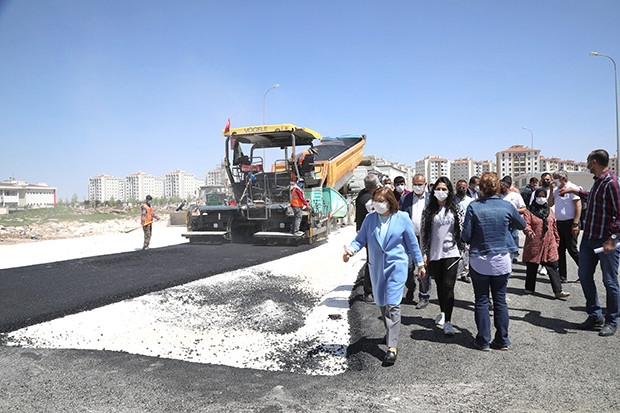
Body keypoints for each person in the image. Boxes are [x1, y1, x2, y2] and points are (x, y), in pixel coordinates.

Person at [343, 187, 425, 365]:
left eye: (381, 200)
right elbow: (360, 240)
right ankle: (390, 331)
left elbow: (412, 243)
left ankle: (392, 347)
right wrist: (350, 251)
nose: (377, 204)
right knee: (381, 303)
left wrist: (419, 264)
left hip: (396, 266)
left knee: (393, 304)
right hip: (377, 267)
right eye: (375, 200)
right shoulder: (370, 219)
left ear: (389, 202)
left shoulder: (402, 218)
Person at [462, 172, 526, 351]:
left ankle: (483, 340)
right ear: (497, 187)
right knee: (500, 300)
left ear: (480, 188)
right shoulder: (507, 206)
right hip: (502, 258)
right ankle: (502, 339)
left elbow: (466, 235)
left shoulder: (474, 207)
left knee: (481, 300)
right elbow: (521, 224)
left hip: (480, 259)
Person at [559, 149, 620, 337]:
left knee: (609, 282)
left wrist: (614, 238)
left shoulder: (612, 182)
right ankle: (595, 315)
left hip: (606, 242)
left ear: (594, 162)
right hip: (589, 240)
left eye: (587, 160)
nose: (586, 163)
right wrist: (575, 190)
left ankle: (612, 320)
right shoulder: (598, 182)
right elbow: (593, 198)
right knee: (584, 276)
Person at [421, 177, 464, 336]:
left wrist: (464, 250)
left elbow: (463, 230)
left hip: (452, 252)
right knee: (439, 285)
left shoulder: (456, 209)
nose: (441, 192)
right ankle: (442, 312)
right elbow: (424, 234)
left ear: (449, 191)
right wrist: (424, 253)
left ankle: (448, 322)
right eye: (438, 189)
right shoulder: (428, 210)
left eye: (444, 189)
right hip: (434, 253)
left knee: (448, 286)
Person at [522, 188, 571, 300]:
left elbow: (554, 225)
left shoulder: (549, 211)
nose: (541, 198)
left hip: (550, 243)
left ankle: (558, 290)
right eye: (539, 196)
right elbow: (526, 225)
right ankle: (529, 288)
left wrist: (557, 240)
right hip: (534, 243)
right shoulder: (529, 211)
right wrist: (530, 233)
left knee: (553, 266)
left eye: (543, 196)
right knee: (532, 266)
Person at [399, 173, 432, 308]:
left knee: (423, 267)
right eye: (415, 184)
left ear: (425, 184)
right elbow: (400, 216)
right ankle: (410, 288)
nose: (418, 186)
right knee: (407, 266)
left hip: (425, 239)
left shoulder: (431, 199)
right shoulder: (405, 199)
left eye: (420, 184)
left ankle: (424, 296)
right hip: (408, 238)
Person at [548, 170, 581, 283]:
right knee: (560, 250)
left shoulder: (572, 188)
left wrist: (575, 224)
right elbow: (550, 204)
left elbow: (578, 206)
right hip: (560, 223)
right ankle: (562, 276)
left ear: (562, 178)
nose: (553, 181)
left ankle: (584, 272)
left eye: (555, 178)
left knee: (572, 249)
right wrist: (552, 190)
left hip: (571, 222)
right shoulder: (556, 190)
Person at [354, 174, 381, 303]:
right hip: (372, 234)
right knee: (373, 262)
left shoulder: (362, 195)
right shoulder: (368, 199)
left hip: (372, 232)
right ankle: (368, 292)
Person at [500, 176, 526, 263]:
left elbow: (523, 208)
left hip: (513, 223)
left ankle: (514, 253)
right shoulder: (498, 196)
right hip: (501, 223)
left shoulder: (516, 196)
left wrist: (513, 211)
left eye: (502, 187)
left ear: (507, 187)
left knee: (513, 237)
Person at [455, 179, 473, 283]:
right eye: (459, 187)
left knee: (466, 252)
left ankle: (464, 273)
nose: (461, 189)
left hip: (466, 230)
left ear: (466, 188)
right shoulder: (451, 200)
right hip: (454, 230)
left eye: (463, 187)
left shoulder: (470, 201)